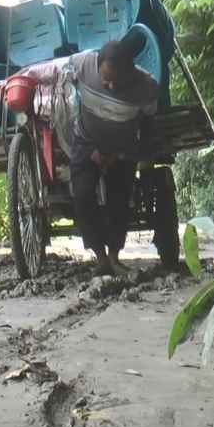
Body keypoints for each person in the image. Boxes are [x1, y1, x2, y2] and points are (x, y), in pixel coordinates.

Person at [65, 33, 159, 274]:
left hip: (123, 149)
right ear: (96, 66)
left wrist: (127, 155)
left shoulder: (146, 86)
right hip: (86, 143)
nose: (110, 86)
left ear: (130, 72)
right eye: (105, 81)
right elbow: (58, 76)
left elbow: (148, 125)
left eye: (116, 82)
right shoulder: (83, 63)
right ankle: (100, 258)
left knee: (120, 199)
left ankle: (114, 255)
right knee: (83, 194)